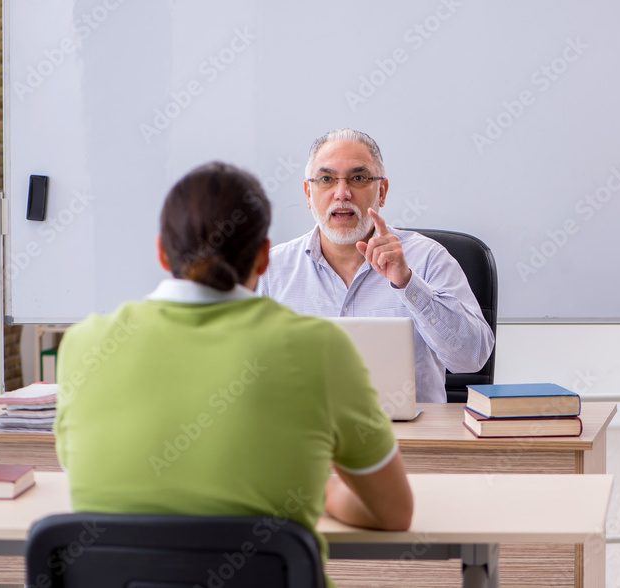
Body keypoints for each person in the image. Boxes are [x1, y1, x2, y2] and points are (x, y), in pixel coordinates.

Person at [54, 162, 412, 587]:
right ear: (264, 257)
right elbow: (393, 513)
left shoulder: (84, 344)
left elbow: (82, 474)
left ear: (162, 253)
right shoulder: (320, 348)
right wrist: (324, 491)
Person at [257, 128, 495, 403]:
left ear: (382, 191)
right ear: (308, 193)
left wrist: (408, 284)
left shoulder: (428, 258)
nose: (342, 193)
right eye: (326, 179)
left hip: (411, 430)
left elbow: (472, 359)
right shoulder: (272, 271)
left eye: (358, 178)